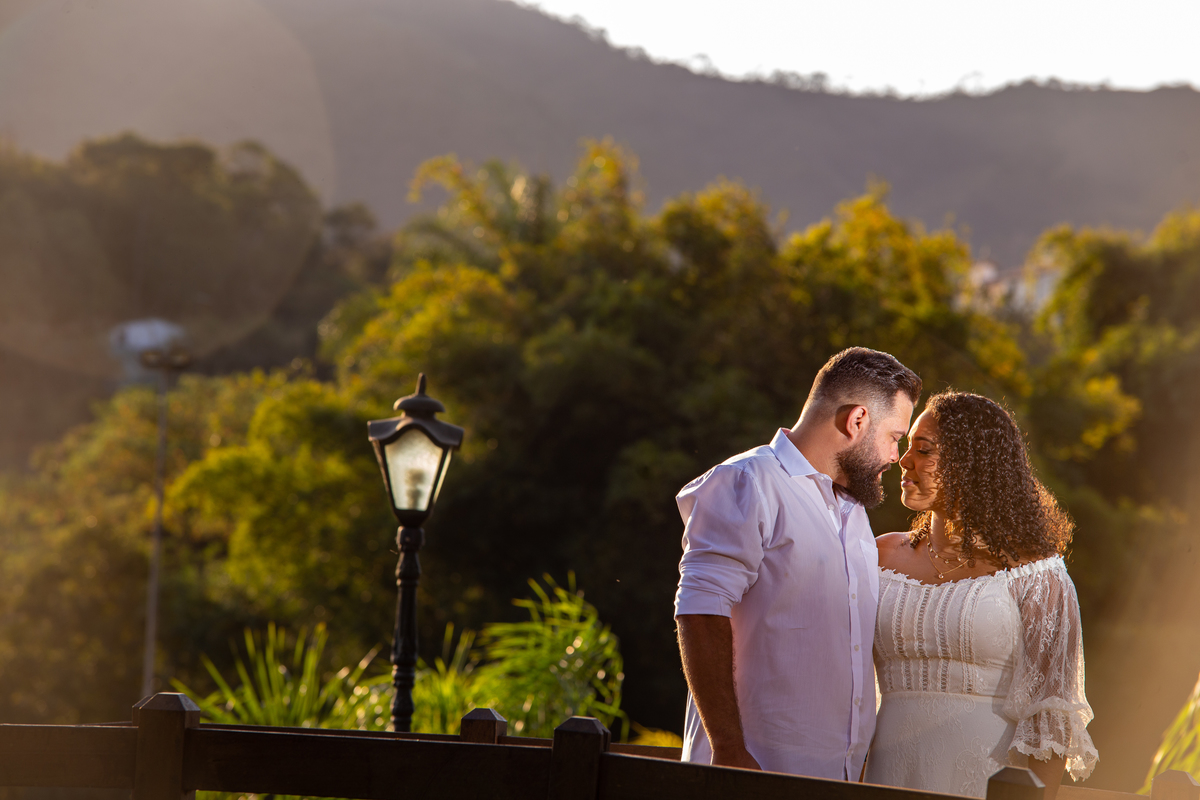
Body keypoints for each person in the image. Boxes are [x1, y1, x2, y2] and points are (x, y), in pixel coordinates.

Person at [674, 347, 921, 778]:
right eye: (894, 437)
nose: (895, 456)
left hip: (836, 778)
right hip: (753, 773)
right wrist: (728, 749)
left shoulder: (854, 513)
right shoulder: (748, 481)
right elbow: (700, 611)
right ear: (857, 420)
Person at [867, 391, 1098, 800]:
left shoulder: (1038, 575)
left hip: (985, 780)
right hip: (883, 773)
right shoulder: (879, 555)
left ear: (970, 465)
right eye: (907, 448)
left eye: (923, 450)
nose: (904, 461)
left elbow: (1051, 714)